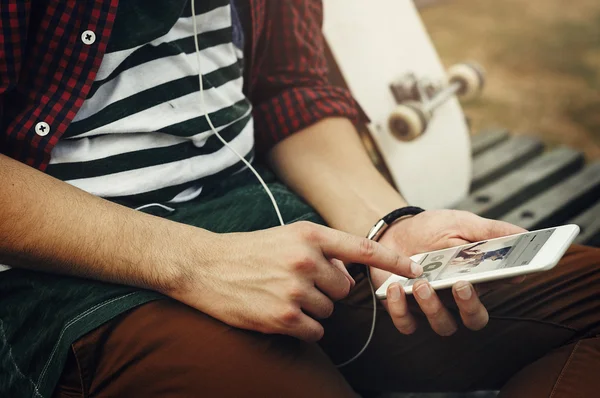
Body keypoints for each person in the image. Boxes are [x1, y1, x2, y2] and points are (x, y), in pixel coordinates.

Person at [0, 1, 598, 397]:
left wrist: (387, 225)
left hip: (270, 223)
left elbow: (289, 85)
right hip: (69, 270)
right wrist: (197, 262)